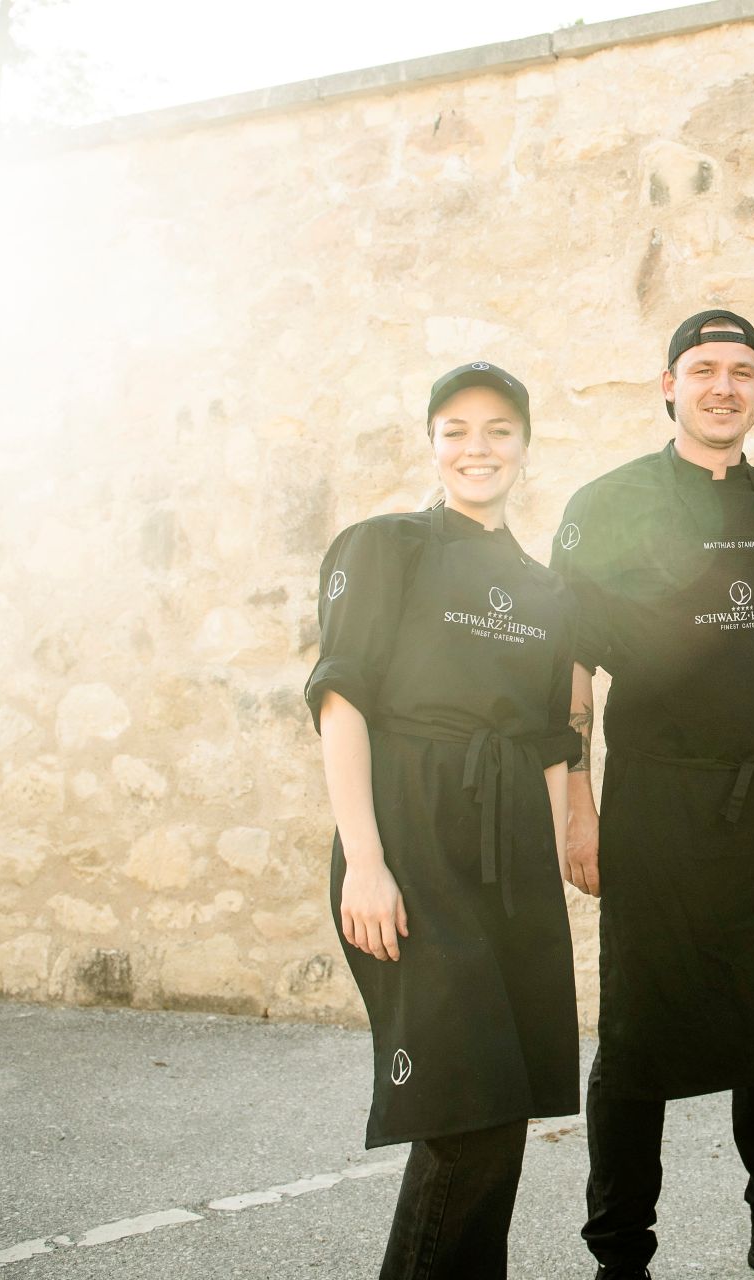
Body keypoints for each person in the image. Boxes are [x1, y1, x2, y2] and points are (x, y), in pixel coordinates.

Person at [551, 310, 754, 1280]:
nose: (723, 385)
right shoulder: (606, 504)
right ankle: (621, 1253)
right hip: (660, 804)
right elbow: (569, 667)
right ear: (668, 383)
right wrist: (577, 804)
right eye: (703, 368)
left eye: (742, 370)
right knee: (638, 1040)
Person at [304, 362, 580, 1279]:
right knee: (465, 1116)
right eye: (456, 429)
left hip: (509, 861)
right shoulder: (384, 547)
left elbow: (550, 745)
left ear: (525, 448)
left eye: (499, 430)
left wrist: (543, 890)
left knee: (500, 1112)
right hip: (409, 847)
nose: (478, 448)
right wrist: (365, 864)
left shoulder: (543, 591)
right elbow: (341, 703)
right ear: (431, 442)